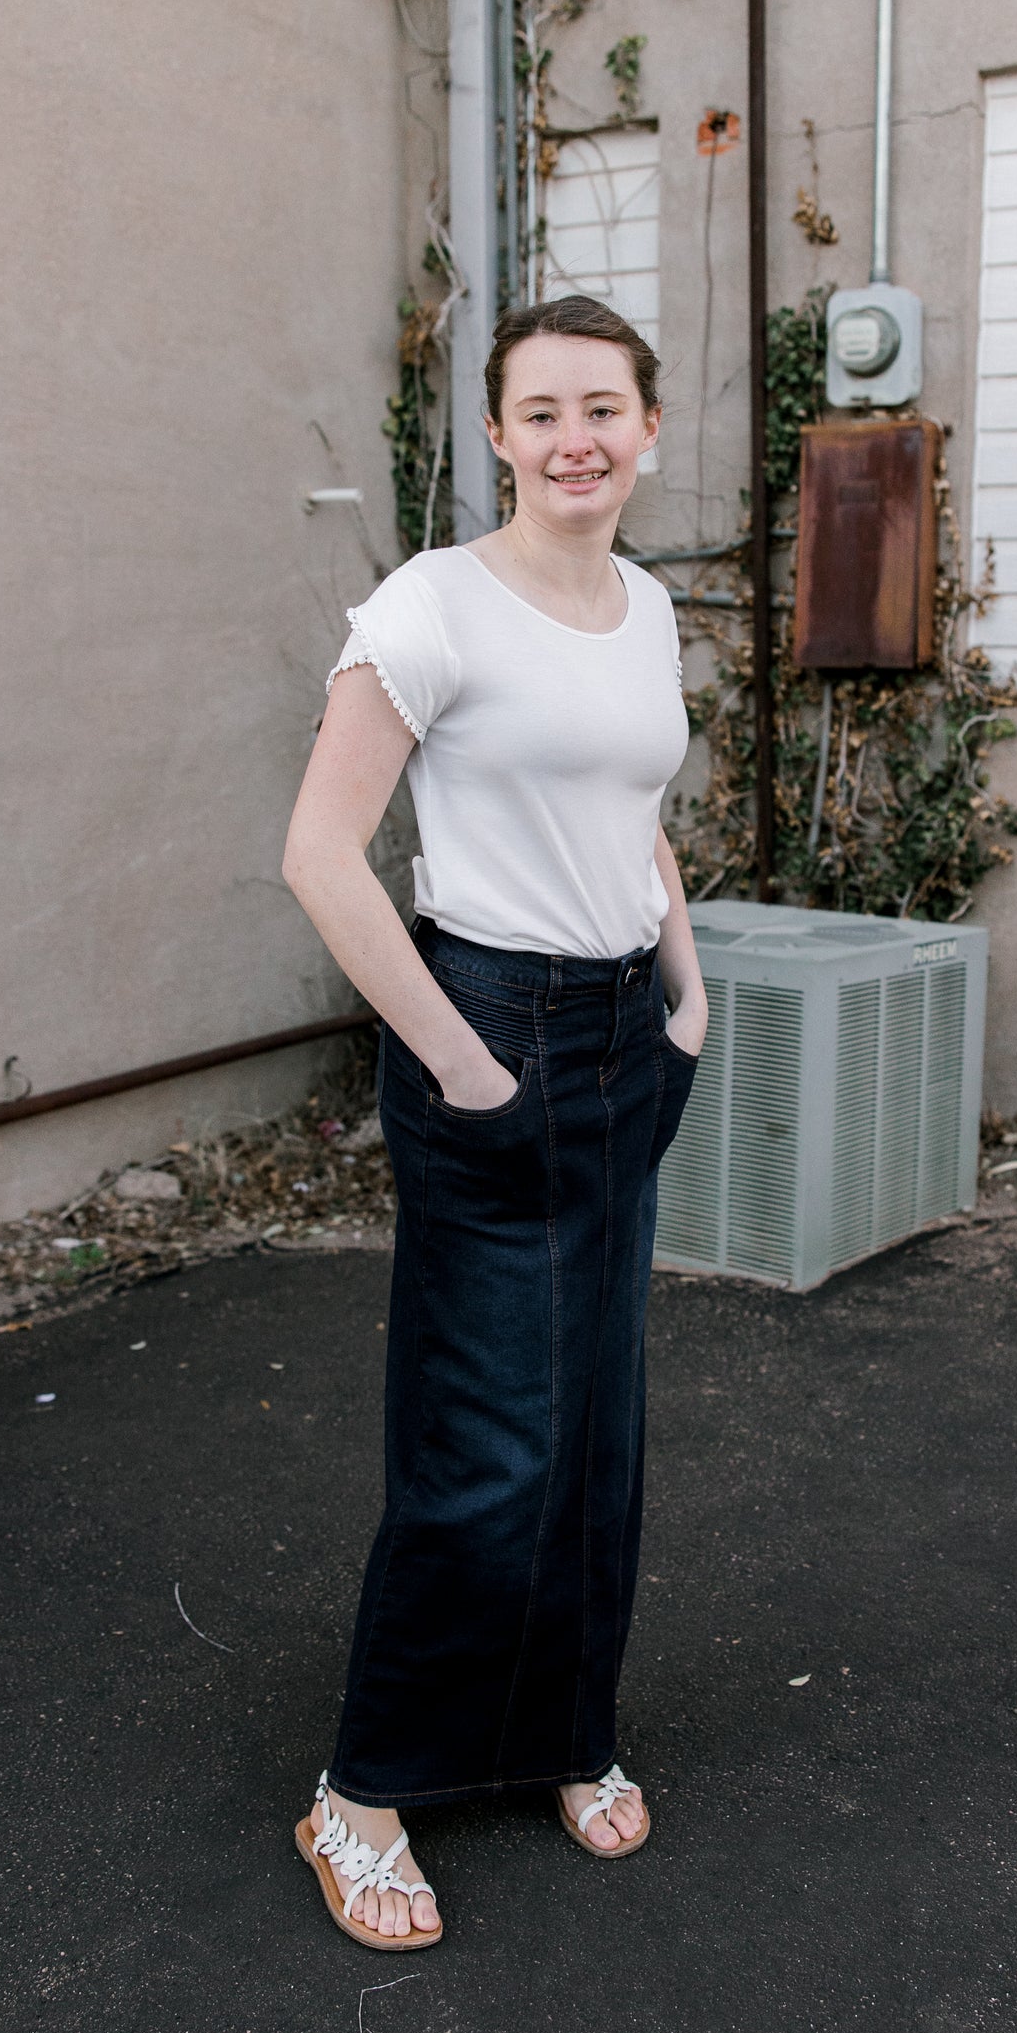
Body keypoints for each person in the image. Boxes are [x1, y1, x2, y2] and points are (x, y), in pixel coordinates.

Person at [281, 292, 708, 1949]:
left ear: (647, 429)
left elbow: (637, 818)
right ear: (500, 436)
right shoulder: (432, 604)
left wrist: (685, 987)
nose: (575, 437)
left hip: (621, 1034)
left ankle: (562, 1728)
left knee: (596, 1425)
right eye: (542, 412)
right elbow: (323, 854)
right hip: (495, 1025)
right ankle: (364, 1791)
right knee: (484, 1443)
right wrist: (464, 1063)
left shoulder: (649, 606)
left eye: (603, 407)